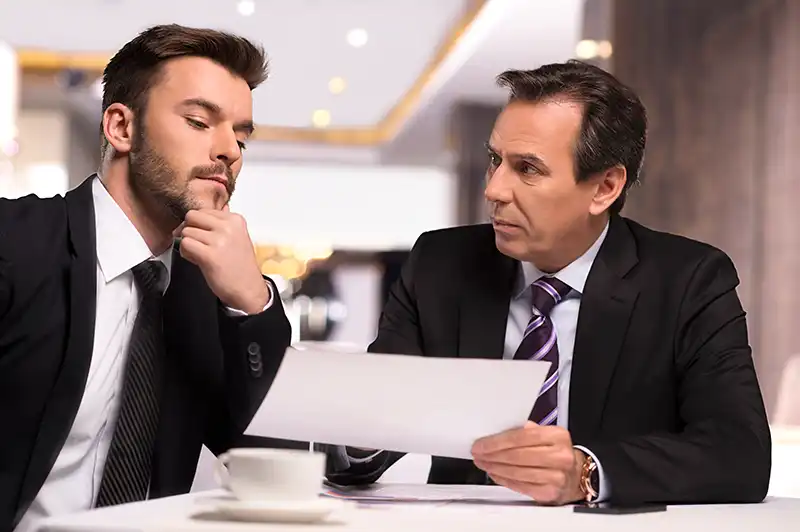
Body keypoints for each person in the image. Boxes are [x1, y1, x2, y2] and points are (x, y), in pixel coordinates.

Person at [325, 60, 771, 506]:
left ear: (605, 187)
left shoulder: (688, 280)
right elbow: (369, 435)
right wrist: (362, 432)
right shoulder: (441, 265)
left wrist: (586, 472)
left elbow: (739, 453)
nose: (495, 189)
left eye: (528, 169)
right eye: (495, 160)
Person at [0, 24, 291, 531]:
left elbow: (280, 462)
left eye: (241, 136)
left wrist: (253, 305)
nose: (230, 151)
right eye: (200, 122)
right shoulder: (13, 244)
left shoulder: (214, 296)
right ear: (121, 127)